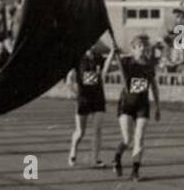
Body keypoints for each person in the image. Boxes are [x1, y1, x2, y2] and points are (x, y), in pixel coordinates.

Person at [111, 34, 160, 179]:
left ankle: (135, 171)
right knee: (127, 139)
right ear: (132, 49)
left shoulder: (149, 66)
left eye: (144, 46)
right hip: (126, 105)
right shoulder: (126, 62)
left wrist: (158, 106)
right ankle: (117, 158)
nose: (142, 48)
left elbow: (154, 87)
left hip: (142, 106)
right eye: (138, 46)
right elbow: (105, 71)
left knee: (139, 139)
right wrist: (112, 56)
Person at [67, 38, 114, 167]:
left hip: (98, 98)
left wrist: (112, 54)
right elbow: (69, 78)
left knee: (97, 130)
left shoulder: (99, 58)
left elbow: (106, 70)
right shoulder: (78, 59)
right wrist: (73, 91)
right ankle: (73, 151)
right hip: (83, 99)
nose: (92, 45)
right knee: (80, 132)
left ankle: (96, 159)